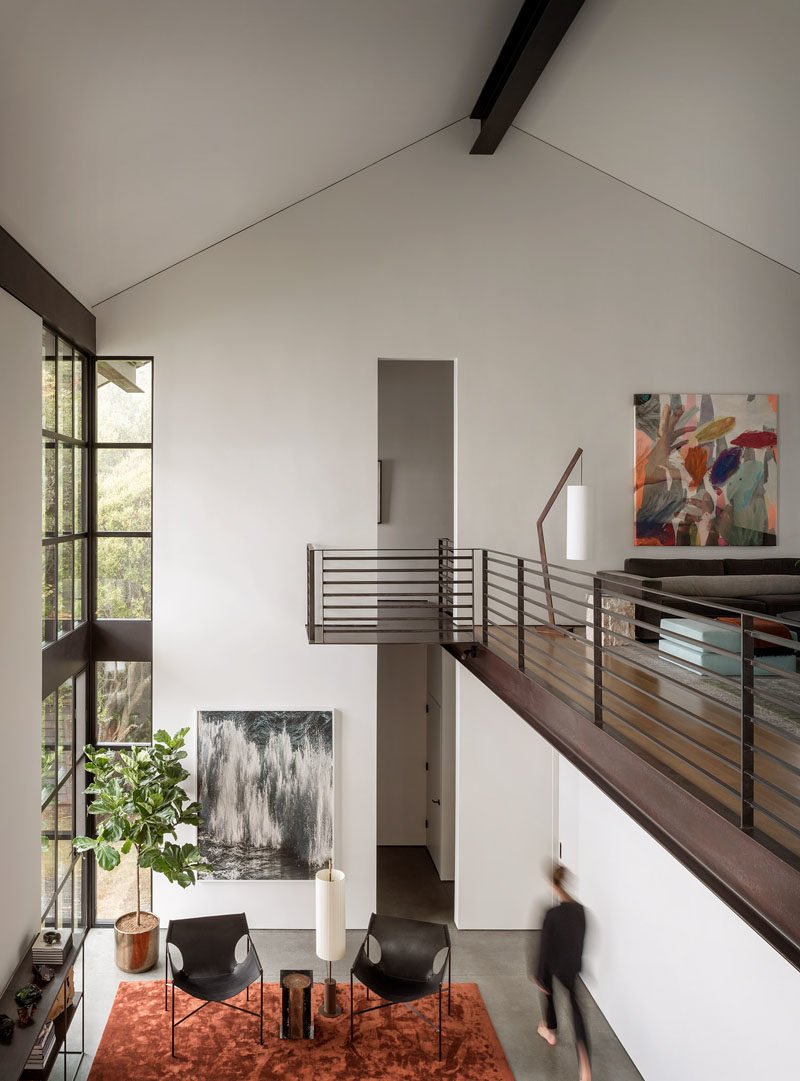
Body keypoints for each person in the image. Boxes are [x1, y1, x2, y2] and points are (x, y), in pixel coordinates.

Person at [533, 863, 591, 1081]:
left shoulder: (552, 914)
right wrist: (577, 963)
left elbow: (544, 947)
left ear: (551, 884)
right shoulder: (581, 911)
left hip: (553, 963)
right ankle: (585, 1067)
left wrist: (539, 974)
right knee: (576, 1009)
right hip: (571, 964)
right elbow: (580, 941)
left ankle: (549, 1030)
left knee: (547, 992)